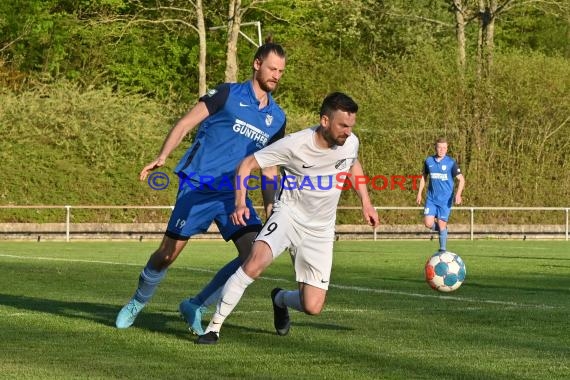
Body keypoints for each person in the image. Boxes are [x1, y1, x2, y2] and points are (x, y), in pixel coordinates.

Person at [115, 42, 287, 332]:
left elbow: (270, 167)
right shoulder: (227, 93)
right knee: (167, 254)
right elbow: (184, 124)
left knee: (254, 255)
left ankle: (195, 304)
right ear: (257, 64)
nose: (277, 75)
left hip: (234, 194)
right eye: (272, 68)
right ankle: (137, 301)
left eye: (281, 71)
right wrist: (162, 155)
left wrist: (272, 206)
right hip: (199, 184)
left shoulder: (277, 118)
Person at [196, 92, 380, 344]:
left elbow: (352, 164)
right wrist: (240, 202)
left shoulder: (350, 142)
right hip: (289, 216)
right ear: (325, 121)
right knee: (254, 263)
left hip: (321, 230)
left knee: (312, 306)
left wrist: (366, 203)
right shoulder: (295, 144)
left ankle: (279, 299)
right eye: (343, 126)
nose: (348, 132)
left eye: (351, 126)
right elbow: (247, 164)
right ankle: (213, 329)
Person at [415, 137, 465, 253]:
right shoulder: (429, 161)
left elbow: (461, 180)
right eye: (439, 147)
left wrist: (458, 194)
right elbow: (423, 177)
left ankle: (442, 250)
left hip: (445, 200)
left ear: (447, 149)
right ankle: (443, 231)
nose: (442, 150)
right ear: (435, 148)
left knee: (441, 224)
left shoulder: (451, 163)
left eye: (444, 148)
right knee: (428, 223)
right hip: (431, 199)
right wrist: (419, 194)